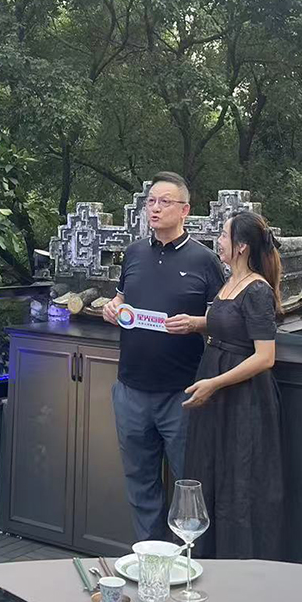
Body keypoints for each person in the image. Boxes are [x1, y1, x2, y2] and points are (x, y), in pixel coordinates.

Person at [101, 172, 225, 542]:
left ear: (185, 210)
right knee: (140, 483)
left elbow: (224, 321)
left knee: (190, 484)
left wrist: (196, 323)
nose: (155, 208)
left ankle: (190, 561)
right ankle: (149, 558)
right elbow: (121, 300)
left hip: (182, 394)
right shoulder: (134, 253)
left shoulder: (204, 260)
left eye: (164, 202)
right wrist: (112, 307)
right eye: (151, 201)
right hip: (131, 390)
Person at [181, 208, 284, 559]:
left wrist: (216, 383)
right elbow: (230, 324)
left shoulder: (257, 289)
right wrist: (196, 323)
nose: (218, 242)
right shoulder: (230, 281)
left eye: (224, 236)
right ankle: (204, 557)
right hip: (215, 388)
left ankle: (238, 563)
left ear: (241, 246)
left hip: (243, 398)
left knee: (238, 480)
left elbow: (265, 356)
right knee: (209, 472)